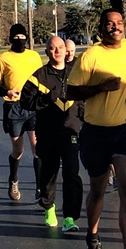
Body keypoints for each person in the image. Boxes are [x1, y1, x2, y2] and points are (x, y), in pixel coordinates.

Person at [67, 9, 126, 249]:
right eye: (110, 24)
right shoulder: (91, 55)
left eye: (119, 23)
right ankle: (92, 236)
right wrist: (101, 88)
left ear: (125, 26)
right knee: (99, 190)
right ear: (102, 28)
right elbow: (72, 90)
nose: (115, 27)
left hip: (125, 131)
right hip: (96, 132)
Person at [20, 36, 83, 230]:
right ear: (47, 52)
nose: (57, 51)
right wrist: (46, 100)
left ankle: (70, 218)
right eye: (53, 48)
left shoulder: (76, 73)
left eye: (60, 47)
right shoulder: (38, 76)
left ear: (66, 50)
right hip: (47, 132)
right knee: (49, 172)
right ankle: (49, 207)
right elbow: (25, 102)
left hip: (71, 130)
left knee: (72, 173)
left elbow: (84, 99)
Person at [0, 24, 44, 204]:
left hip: (32, 107)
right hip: (14, 107)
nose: (20, 40)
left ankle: (39, 187)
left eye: (22, 37)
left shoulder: (34, 56)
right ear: (11, 39)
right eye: (16, 37)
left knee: (37, 148)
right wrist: (6, 91)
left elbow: (41, 79)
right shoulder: (4, 58)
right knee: (18, 150)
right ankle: (13, 180)